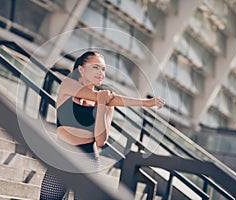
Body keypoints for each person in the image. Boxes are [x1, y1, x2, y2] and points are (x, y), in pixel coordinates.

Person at [40, 51, 165, 200]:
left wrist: (101, 106)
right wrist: (143, 103)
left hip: (89, 161)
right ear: (81, 69)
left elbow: (100, 141)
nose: (101, 73)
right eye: (95, 67)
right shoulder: (68, 85)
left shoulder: (106, 104)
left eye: (103, 69)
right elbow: (98, 96)